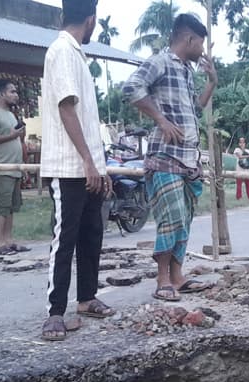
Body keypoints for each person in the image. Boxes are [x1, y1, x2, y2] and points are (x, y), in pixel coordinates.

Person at [123, 13, 218, 302]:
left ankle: (177, 277)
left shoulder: (187, 71)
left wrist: (211, 83)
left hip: (188, 159)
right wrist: (161, 120)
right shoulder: (160, 62)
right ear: (189, 39)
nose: (202, 49)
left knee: (185, 218)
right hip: (165, 156)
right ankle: (162, 279)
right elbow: (130, 88)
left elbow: (193, 108)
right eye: (201, 43)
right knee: (171, 217)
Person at [39, 0, 115, 341]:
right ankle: (56, 312)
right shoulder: (61, 51)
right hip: (68, 166)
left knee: (91, 235)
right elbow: (66, 108)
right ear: (91, 20)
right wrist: (86, 160)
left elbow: (86, 119)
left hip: (87, 167)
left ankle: (86, 298)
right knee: (64, 239)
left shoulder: (77, 55)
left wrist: (99, 166)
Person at [0, 78, 27, 256]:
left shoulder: (10, 114)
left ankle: (9, 241)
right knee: (1, 207)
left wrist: (19, 135)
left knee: (10, 207)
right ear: (2, 94)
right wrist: (10, 136)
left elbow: (14, 137)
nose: (15, 95)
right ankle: (0, 243)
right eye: (12, 92)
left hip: (14, 167)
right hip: (2, 168)